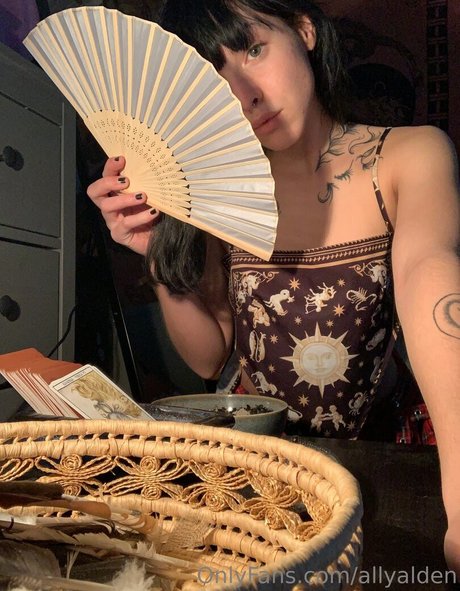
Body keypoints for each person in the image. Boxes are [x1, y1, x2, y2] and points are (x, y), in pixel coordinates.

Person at [87, 0, 460, 573]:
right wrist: (158, 256)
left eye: (254, 50)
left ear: (304, 31)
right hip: (260, 465)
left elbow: (428, 272)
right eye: (216, 79)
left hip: (378, 452)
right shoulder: (218, 193)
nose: (245, 96)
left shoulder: (407, 156)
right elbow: (209, 356)